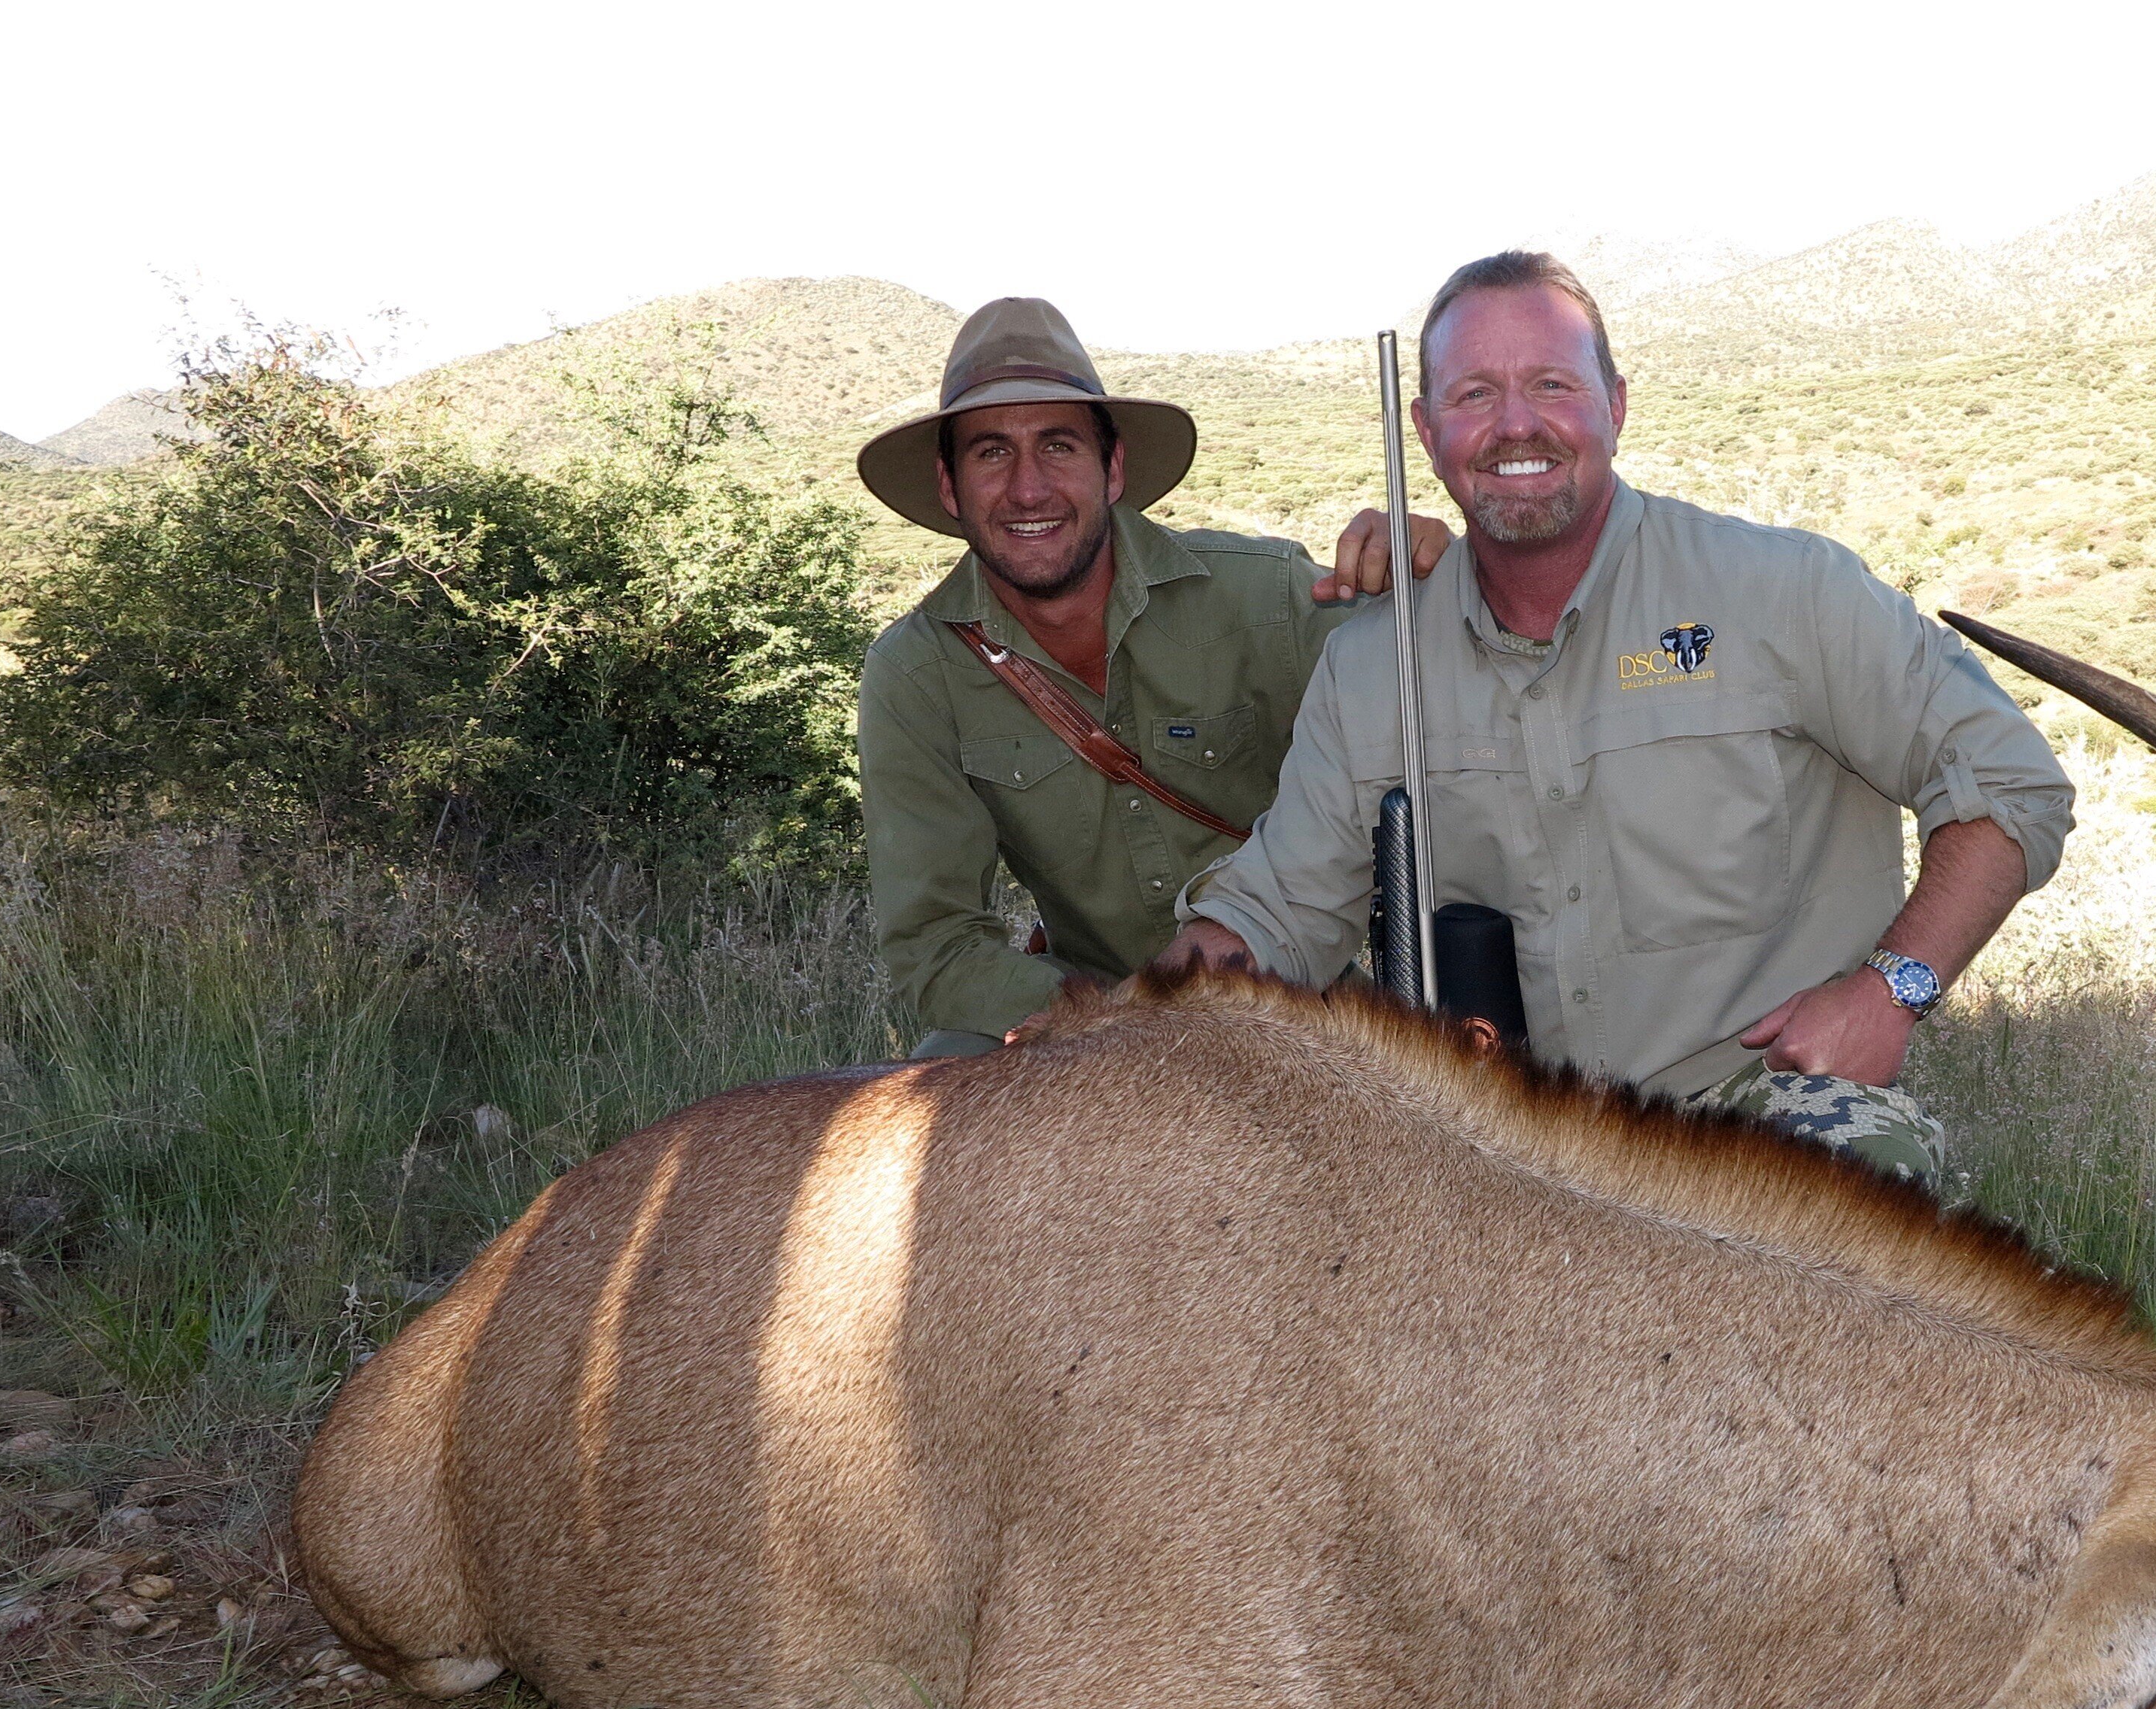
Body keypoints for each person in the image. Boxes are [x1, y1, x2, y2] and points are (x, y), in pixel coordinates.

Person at [1161, 252, 2072, 1182]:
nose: (1516, 424)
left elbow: (2009, 785)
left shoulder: (1783, 591)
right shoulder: (1371, 665)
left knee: (1854, 1164)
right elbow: (1277, 917)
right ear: (1426, 432)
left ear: (1616, 405)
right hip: (1502, 1146)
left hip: (1746, 1114)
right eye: (1474, 394)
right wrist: (1124, 1027)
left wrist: (1888, 992)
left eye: (1551, 384)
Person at [855, 297, 1449, 1055]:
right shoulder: (914, 672)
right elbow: (932, 947)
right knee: (945, 1073)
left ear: (1112, 469)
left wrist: (1433, 572)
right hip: (1086, 1018)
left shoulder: (1264, 598)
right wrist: (1114, 1024)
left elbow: (1445, 692)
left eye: (1060, 446)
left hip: (1298, 999)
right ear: (950, 488)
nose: (1028, 488)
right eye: (991, 452)